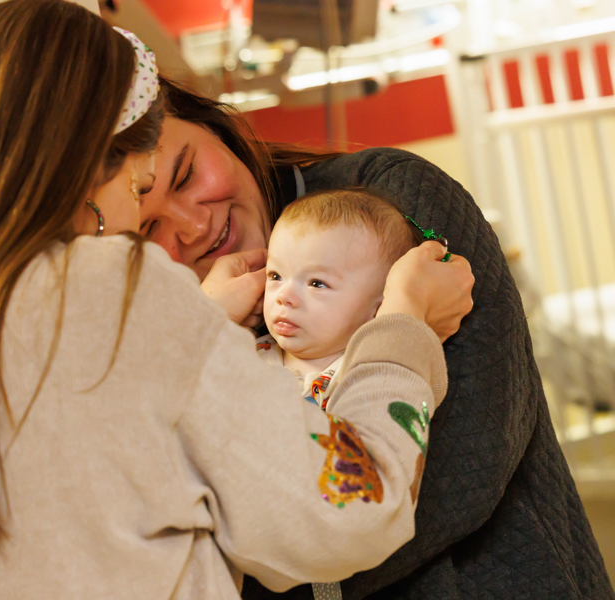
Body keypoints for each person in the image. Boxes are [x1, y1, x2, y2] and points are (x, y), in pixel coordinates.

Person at [0, 2, 474, 600]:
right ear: (85, 177)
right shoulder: (113, 289)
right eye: (139, 199)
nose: (159, 235)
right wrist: (401, 330)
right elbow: (343, 512)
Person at [139, 80, 615, 599]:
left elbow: (470, 459)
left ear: (214, 124)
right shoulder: (167, 325)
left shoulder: (390, 205)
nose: (191, 226)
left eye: (185, 175)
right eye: (146, 230)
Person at [257, 190, 431, 600]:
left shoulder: (371, 375)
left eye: (317, 282)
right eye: (275, 275)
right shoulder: (241, 357)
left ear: (378, 308)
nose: (284, 295)